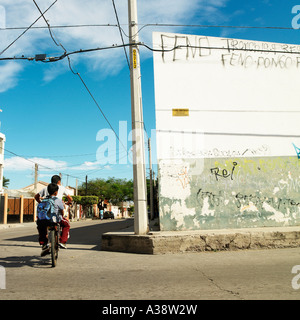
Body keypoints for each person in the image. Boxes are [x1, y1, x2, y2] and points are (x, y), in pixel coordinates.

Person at [36, 183, 70, 256]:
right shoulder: (58, 200)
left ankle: (43, 242)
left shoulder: (44, 200)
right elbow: (62, 210)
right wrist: (62, 214)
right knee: (66, 224)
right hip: (55, 220)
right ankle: (62, 241)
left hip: (44, 220)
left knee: (40, 226)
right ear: (56, 192)